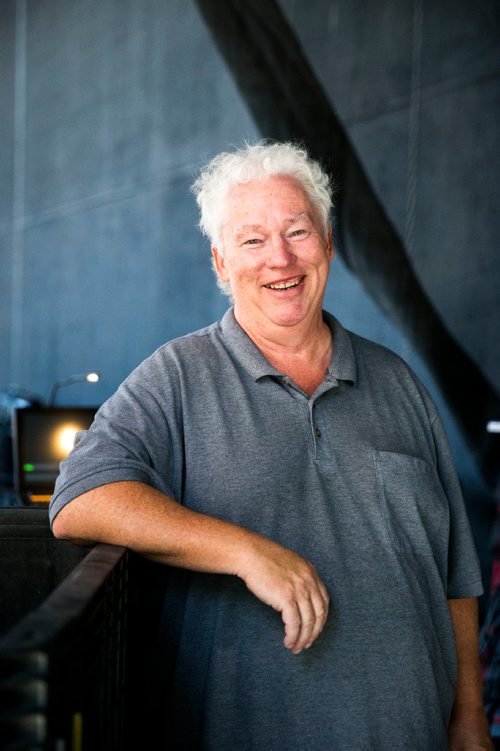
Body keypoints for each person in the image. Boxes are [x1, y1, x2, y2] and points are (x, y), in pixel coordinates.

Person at [50, 141, 492, 750]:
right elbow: (79, 499)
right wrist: (244, 550)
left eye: (297, 231)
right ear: (221, 265)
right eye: (252, 241)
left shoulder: (400, 384)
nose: (279, 258)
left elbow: (455, 577)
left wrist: (470, 721)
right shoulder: (177, 376)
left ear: (329, 244)